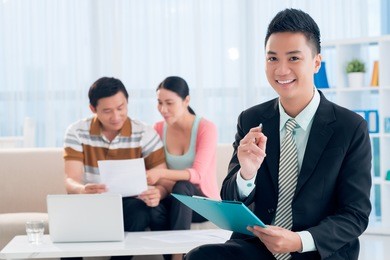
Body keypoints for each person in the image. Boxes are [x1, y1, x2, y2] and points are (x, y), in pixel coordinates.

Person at [186, 8, 371, 260]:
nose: (281, 70)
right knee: (201, 256)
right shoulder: (251, 120)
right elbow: (229, 200)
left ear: (316, 62)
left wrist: (297, 241)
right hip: (258, 246)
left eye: (294, 58)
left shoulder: (350, 127)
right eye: (272, 59)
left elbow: (355, 214)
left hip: (316, 250)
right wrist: (246, 173)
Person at [63, 76, 174, 234]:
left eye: (120, 108)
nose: (115, 117)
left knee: (139, 213)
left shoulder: (144, 133)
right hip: (90, 199)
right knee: (69, 217)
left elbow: (164, 181)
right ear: (93, 109)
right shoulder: (76, 132)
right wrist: (82, 189)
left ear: (127, 103)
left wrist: (159, 193)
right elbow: (70, 180)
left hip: (130, 201)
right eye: (107, 111)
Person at [147, 76, 219, 260]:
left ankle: (178, 257)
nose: (163, 109)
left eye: (169, 103)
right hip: (173, 199)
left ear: (186, 100)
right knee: (154, 207)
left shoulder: (206, 128)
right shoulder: (157, 129)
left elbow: (197, 175)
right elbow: (156, 177)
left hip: (202, 204)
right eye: (159, 102)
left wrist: (161, 174)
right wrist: (159, 187)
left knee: (183, 186)